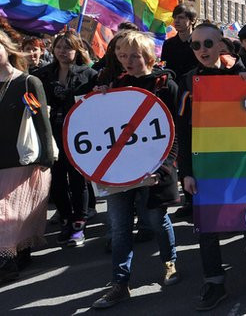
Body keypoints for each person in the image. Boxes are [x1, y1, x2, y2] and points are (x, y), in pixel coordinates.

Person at [177, 23, 246, 311]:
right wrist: (186, 172)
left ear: (221, 45)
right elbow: (183, 130)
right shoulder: (188, 81)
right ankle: (215, 282)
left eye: (208, 43)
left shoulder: (242, 73)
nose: (202, 50)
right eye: (196, 45)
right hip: (206, 163)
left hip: (243, 160)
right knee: (207, 224)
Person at [90, 31, 181, 308]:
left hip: (154, 169)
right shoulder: (116, 85)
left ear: (148, 57)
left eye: (134, 56)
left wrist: (164, 169)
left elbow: (175, 131)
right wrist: (97, 100)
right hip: (119, 170)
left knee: (156, 219)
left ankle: (169, 262)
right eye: (122, 56)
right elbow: (103, 127)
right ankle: (120, 283)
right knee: (119, 227)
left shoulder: (165, 85)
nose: (127, 61)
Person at [0, 30, 56, 283]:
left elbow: (40, 119)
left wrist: (46, 157)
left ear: (7, 48)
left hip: (21, 161)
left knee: (5, 215)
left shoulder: (26, 83)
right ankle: (18, 253)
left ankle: (6, 264)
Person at [35, 31, 97, 247]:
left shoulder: (89, 74)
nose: (62, 51)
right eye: (59, 47)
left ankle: (79, 223)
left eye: (68, 47)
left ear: (77, 50)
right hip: (51, 133)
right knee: (56, 180)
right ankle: (65, 219)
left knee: (78, 179)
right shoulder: (42, 74)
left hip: (78, 134)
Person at [160, 4, 198, 78]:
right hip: (174, 83)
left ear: (192, 20)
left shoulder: (199, 44)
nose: (176, 21)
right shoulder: (168, 44)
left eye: (181, 17)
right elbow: (164, 66)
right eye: (175, 18)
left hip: (194, 82)